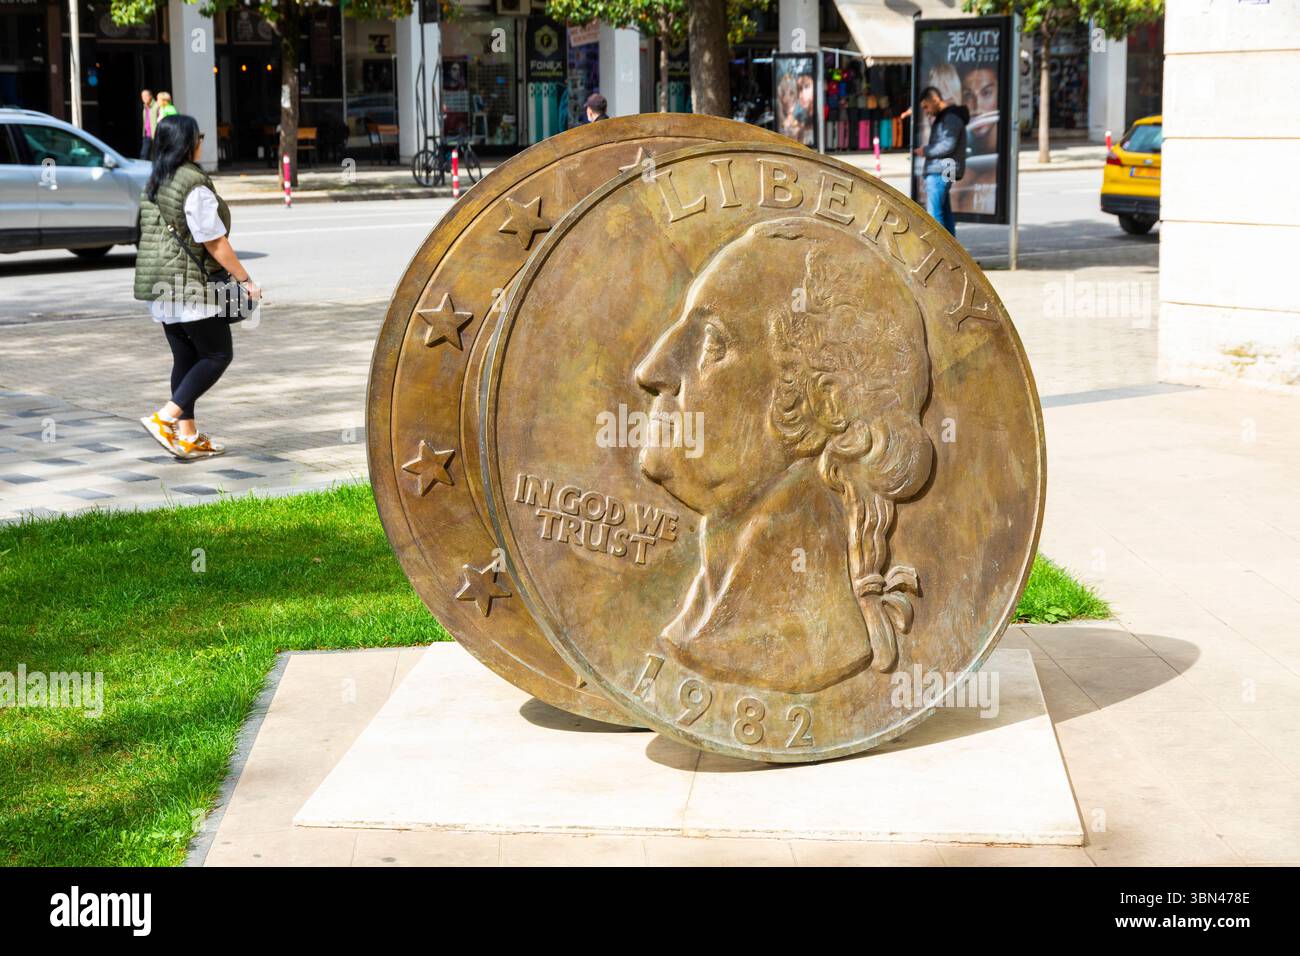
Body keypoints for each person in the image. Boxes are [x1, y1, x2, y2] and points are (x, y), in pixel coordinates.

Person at [133, 114, 261, 460]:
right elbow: (214, 242)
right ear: (188, 143)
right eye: (199, 136)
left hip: (158, 286)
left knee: (186, 356)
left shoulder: (154, 181)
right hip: (189, 286)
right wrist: (245, 280)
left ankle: (187, 437)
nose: (202, 142)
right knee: (218, 354)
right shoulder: (194, 184)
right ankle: (165, 418)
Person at [913, 85, 969, 236]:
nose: (926, 112)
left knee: (934, 214)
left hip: (941, 170)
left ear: (935, 99)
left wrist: (926, 150)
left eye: (926, 106)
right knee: (944, 211)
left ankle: (940, 252)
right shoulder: (948, 116)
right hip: (946, 169)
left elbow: (947, 145)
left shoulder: (950, 118)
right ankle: (952, 253)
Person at [139, 89, 159, 159]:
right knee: (144, 155)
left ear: (150, 96)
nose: (143, 98)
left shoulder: (157, 106)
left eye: (145, 96)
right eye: (142, 96)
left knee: (155, 156)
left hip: (155, 136)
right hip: (147, 136)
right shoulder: (145, 108)